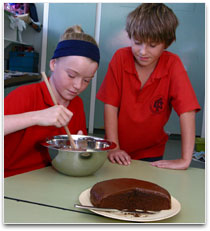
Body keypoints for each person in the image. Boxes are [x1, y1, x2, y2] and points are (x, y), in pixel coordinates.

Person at [96, 3, 201, 170]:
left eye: (152, 45)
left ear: (167, 43)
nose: (143, 52)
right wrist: (114, 147)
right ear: (130, 36)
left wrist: (185, 159)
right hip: (117, 149)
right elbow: (110, 106)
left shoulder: (173, 64)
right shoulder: (120, 58)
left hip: (151, 152)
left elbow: (187, 111)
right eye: (137, 42)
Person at [4, 25, 100, 177]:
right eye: (71, 75)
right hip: (12, 179)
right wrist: (36, 117)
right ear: (53, 64)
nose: (78, 86)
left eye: (86, 80)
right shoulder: (25, 95)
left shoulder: (77, 104)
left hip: (53, 175)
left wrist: (78, 145)